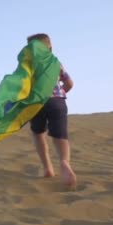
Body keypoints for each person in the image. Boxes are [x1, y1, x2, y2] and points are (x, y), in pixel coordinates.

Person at [27, 33, 77, 189]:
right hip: (57, 102)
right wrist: (60, 93)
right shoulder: (56, 63)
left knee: (38, 133)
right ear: (50, 47)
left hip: (36, 104)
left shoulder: (28, 66)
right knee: (60, 135)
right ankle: (64, 163)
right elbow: (69, 83)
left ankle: (47, 168)